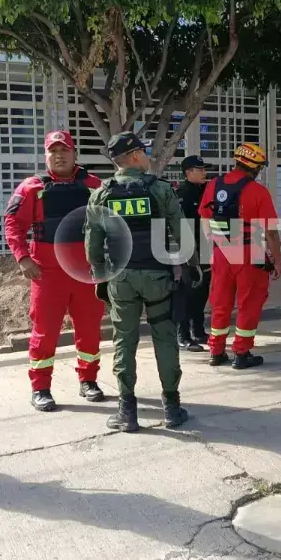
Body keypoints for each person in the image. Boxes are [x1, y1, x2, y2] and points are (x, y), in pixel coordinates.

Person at [86, 131, 195, 432]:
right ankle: (172, 408)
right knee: (164, 337)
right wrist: (192, 267)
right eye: (144, 152)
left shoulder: (102, 193)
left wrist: (99, 277)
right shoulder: (160, 189)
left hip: (121, 280)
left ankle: (127, 412)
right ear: (134, 156)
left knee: (124, 341)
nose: (147, 156)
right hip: (157, 277)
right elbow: (181, 232)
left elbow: (93, 245)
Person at [4, 130, 107, 412]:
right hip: (47, 273)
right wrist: (22, 258)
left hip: (86, 272)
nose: (59, 155)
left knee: (89, 330)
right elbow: (13, 224)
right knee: (45, 332)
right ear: (46, 155)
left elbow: (111, 223)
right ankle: (41, 387)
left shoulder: (94, 186)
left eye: (65, 150)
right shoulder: (31, 187)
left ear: (75, 154)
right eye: (53, 151)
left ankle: (89, 380)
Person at [200, 142, 281, 369]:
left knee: (220, 301)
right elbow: (271, 231)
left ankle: (216, 351)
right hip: (251, 250)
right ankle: (241, 352)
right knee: (249, 302)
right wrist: (277, 260)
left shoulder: (213, 185)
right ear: (255, 167)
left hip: (222, 251)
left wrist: (214, 249)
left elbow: (205, 220)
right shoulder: (258, 191)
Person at [174, 155, 211, 352]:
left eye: (204, 169)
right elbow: (180, 227)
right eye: (200, 170)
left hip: (207, 247)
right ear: (189, 173)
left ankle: (198, 330)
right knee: (188, 293)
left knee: (203, 290)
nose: (205, 173)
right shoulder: (182, 194)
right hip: (190, 249)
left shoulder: (206, 191)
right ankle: (183, 335)